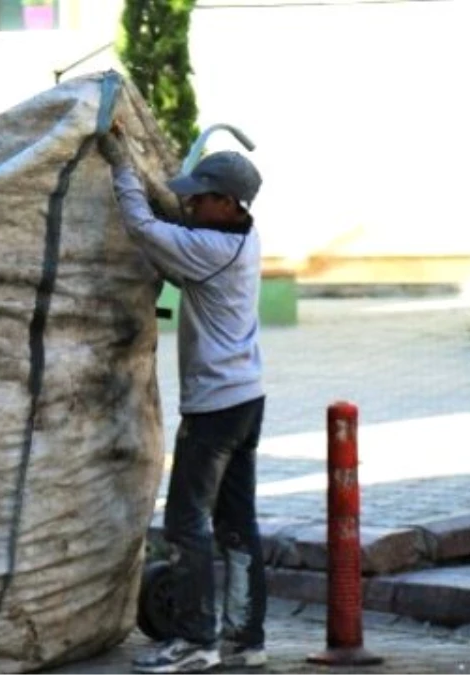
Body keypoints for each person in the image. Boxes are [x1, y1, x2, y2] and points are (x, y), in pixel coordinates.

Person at [98, 124, 268, 673]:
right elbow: (176, 225)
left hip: (215, 408)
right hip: (248, 399)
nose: (191, 202)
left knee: (186, 523)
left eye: (200, 196)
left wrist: (122, 165)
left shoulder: (210, 248)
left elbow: (145, 229)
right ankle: (247, 639)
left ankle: (197, 641)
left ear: (227, 203)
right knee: (237, 523)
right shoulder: (241, 236)